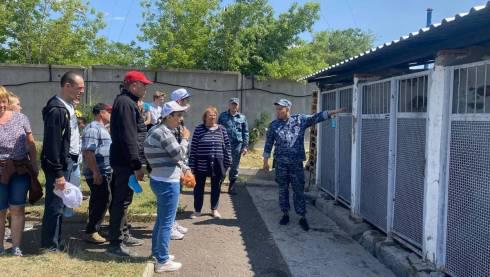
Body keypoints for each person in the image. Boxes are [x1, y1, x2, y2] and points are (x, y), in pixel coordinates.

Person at [262, 99, 343, 231]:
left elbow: (316, 117)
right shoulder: (273, 125)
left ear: (287, 109)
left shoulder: (300, 120)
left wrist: (332, 112)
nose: (277, 111)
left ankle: (302, 216)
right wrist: (265, 161)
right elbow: (268, 143)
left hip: (296, 164)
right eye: (277, 109)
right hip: (281, 164)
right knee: (283, 189)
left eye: (280, 109)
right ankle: (285, 214)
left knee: (298, 190)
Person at [108, 70, 151, 257]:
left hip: (125, 161)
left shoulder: (127, 102)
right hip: (125, 162)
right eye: (144, 85)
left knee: (125, 200)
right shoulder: (125, 103)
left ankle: (123, 235)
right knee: (120, 201)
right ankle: (115, 244)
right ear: (134, 85)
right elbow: (129, 137)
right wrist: (136, 164)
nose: (146, 89)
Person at [144, 101, 190, 272]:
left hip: (159, 178)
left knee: (162, 220)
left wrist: (184, 168)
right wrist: (185, 138)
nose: (181, 119)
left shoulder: (156, 130)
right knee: (166, 222)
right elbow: (179, 154)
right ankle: (162, 261)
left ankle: (157, 253)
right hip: (167, 182)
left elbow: (174, 158)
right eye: (178, 115)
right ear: (169, 116)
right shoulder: (165, 133)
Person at [40, 71, 84, 251]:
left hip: (69, 161)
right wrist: (58, 173)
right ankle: (50, 246)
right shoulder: (56, 110)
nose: (81, 91)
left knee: (60, 204)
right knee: (54, 206)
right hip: (59, 164)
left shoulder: (68, 106)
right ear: (67, 86)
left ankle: (56, 242)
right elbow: (52, 144)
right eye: (79, 88)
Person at [0, 86, 38, 256]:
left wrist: (34, 164)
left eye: (3, 101)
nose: (1, 105)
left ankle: (16, 247)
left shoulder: (21, 118)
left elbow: (30, 143)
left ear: (7, 102)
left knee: (17, 208)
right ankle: (0, 248)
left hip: (19, 169)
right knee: (0, 210)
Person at [189, 107, 232, 219]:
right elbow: (193, 148)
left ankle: (214, 209)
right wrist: (192, 165)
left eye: (214, 115)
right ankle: (197, 210)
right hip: (201, 164)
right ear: (205, 117)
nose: (212, 117)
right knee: (198, 187)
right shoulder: (199, 129)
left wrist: (228, 162)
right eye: (210, 115)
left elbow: (227, 146)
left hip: (218, 164)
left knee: (216, 187)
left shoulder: (222, 129)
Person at [82, 103, 112, 244]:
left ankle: (95, 227)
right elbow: (89, 151)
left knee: (99, 200)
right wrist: (96, 173)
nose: (111, 114)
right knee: (103, 200)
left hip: (103, 171)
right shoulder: (93, 128)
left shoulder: (102, 128)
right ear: (101, 113)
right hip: (98, 172)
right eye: (109, 111)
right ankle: (91, 231)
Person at [218, 98, 249, 194]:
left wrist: (245, 146)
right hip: (224, 145)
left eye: (236, 104)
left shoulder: (242, 118)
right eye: (232, 104)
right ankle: (218, 185)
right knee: (223, 165)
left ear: (238, 106)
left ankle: (231, 187)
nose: (234, 106)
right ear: (229, 105)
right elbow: (218, 129)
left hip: (237, 146)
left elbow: (245, 132)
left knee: (235, 167)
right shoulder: (223, 116)